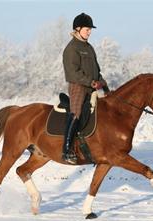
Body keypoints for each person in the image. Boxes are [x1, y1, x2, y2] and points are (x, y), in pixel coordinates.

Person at [62, 12, 110, 164]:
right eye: (87, 29)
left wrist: (102, 82)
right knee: (76, 113)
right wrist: (90, 82)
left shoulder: (89, 47)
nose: (89, 32)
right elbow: (72, 73)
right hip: (78, 87)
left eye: (90, 29)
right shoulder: (71, 48)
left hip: (92, 86)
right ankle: (67, 149)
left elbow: (96, 69)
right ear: (77, 29)